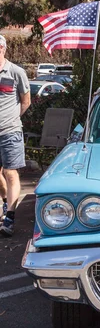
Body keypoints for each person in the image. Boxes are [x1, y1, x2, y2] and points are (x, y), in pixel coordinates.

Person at [0, 34, 31, 236]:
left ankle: (10, 216)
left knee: (11, 173)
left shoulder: (15, 72)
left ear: (3, 48)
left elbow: (26, 100)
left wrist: (11, 119)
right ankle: (5, 201)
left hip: (10, 132)